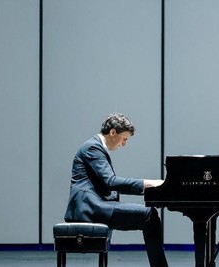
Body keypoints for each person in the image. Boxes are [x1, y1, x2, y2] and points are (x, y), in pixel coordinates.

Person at [64, 112, 168, 267]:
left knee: (149, 217)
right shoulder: (93, 148)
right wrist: (150, 184)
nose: (124, 144)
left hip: (95, 205)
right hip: (88, 208)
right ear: (112, 132)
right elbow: (110, 182)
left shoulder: (95, 147)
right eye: (124, 139)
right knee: (149, 215)